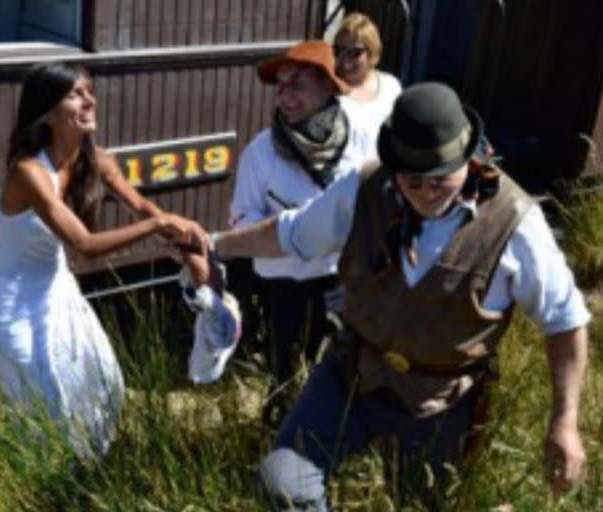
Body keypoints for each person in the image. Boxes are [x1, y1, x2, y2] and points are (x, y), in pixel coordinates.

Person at [186, 82, 590, 509]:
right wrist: (214, 244)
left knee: (422, 504)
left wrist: (565, 422)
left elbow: (564, 319)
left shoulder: (515, 223)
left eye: (440, 177)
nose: (426, 191)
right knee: (282, 482)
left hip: (441, 399)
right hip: (352, 374)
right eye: (412, 179)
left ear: (468, 157)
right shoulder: (365, 188)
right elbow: (290, 233)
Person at [0, 62, 204, 456]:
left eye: (89, 91)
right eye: (75, 94)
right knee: (42, 398)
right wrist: (159, 226)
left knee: (103, 380)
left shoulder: (96, 158)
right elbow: (84, 244)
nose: (89, 100)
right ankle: (45, 478)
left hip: (54, 283)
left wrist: (185, 243)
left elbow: (142, 206)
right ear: (48, 112)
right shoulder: (28, 172)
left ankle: (88, 466)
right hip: (12, 297)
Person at [228, 40, 373, 405]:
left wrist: (359, 277)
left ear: (327, 86)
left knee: (344, 377)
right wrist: (293, 229)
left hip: (340, 284)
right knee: (285, 380)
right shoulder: (262, 152)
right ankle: (279, 443)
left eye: (298, 85)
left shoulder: (361, 145)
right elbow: (240, 222)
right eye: (281, 86)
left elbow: (376, 215)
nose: (286, 96)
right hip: (283, 288)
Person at [333, 11, 402, 159]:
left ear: (371, 53)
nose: (344, 59)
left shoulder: (391, 87)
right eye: (338, 50)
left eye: (354, 52)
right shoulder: (328, 89)